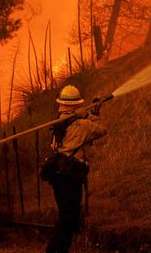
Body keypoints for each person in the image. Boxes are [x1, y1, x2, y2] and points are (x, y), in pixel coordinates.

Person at [43, 85, 107, 253]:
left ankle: (61, 249)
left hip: (58, 173)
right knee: (68, 216)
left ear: (62, 104)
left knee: (67, 215)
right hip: (70, 175)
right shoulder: (83, 124)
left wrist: (90, 114)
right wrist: (90, 115)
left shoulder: (59, 122)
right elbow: (102, 130)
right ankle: (54, 250)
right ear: (78, 105)